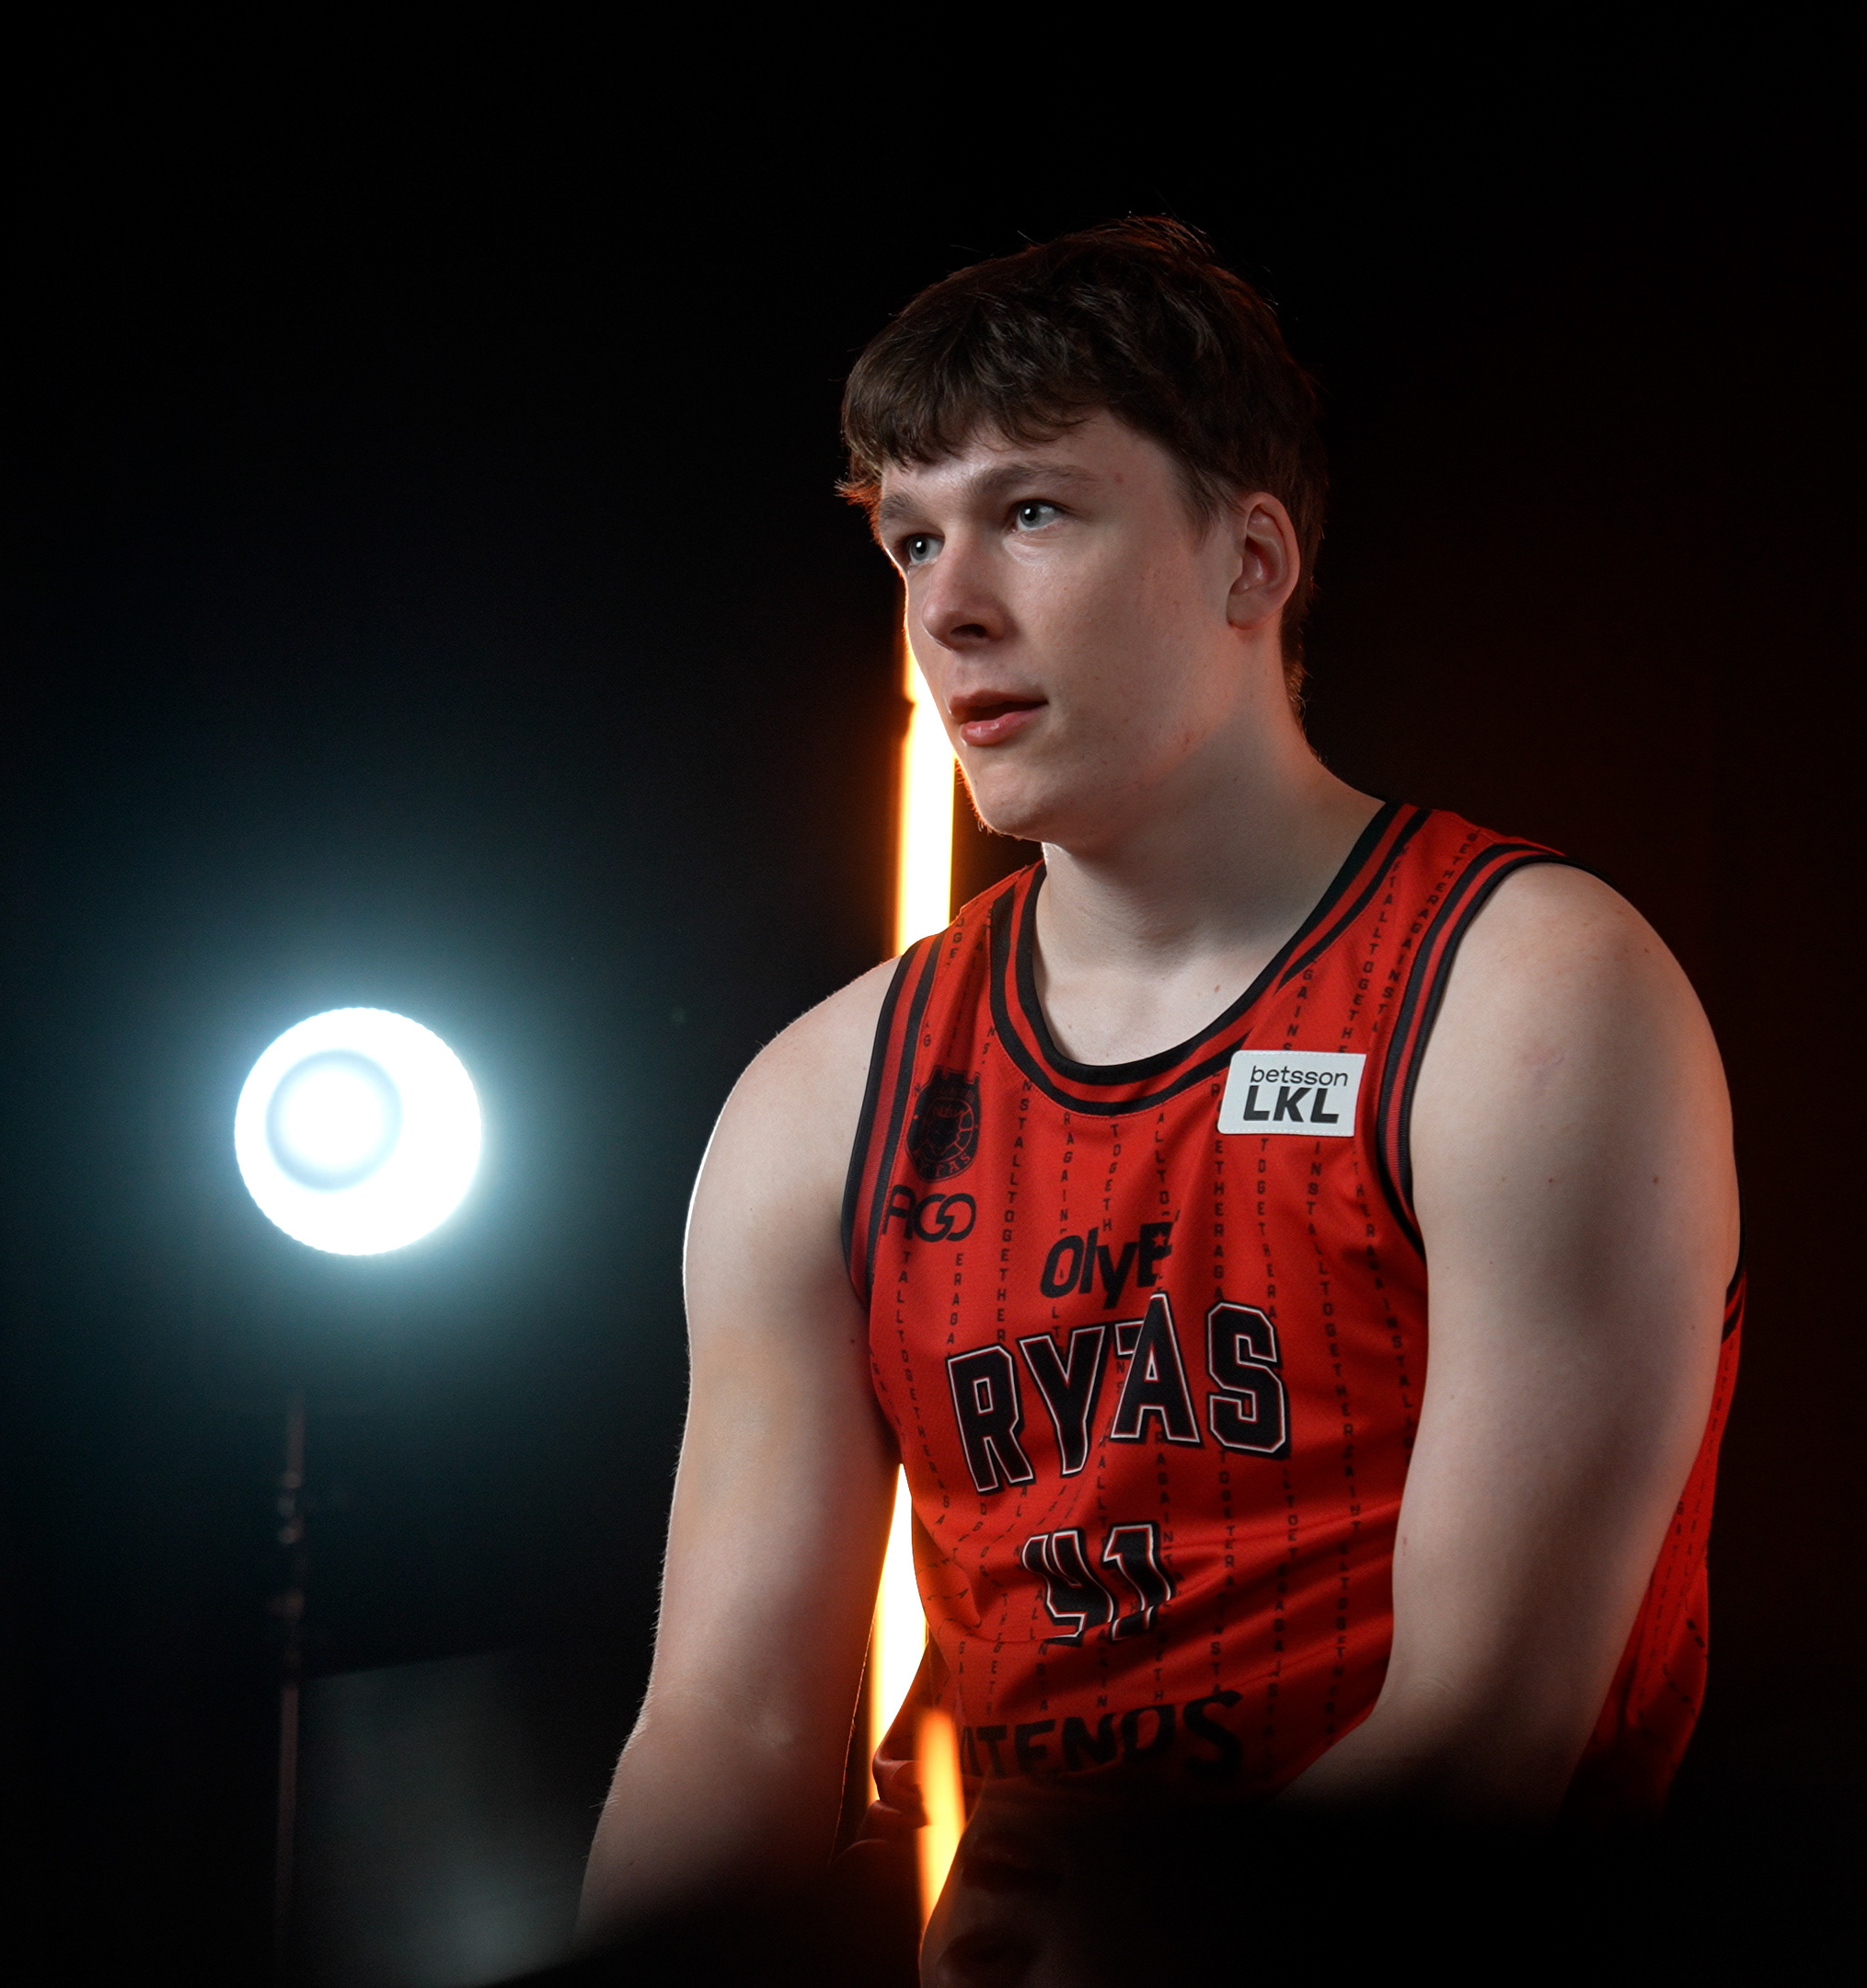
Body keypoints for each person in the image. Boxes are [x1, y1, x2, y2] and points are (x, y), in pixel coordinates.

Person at [575, 219, 1738, 1977]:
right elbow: (725, 1737)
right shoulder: (823, 1097)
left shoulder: (1527, 995)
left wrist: (1160, 1936)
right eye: (912, 538)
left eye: (1035, 512)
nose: (948, 606)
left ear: (1250, 560)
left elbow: (1492, 1734)